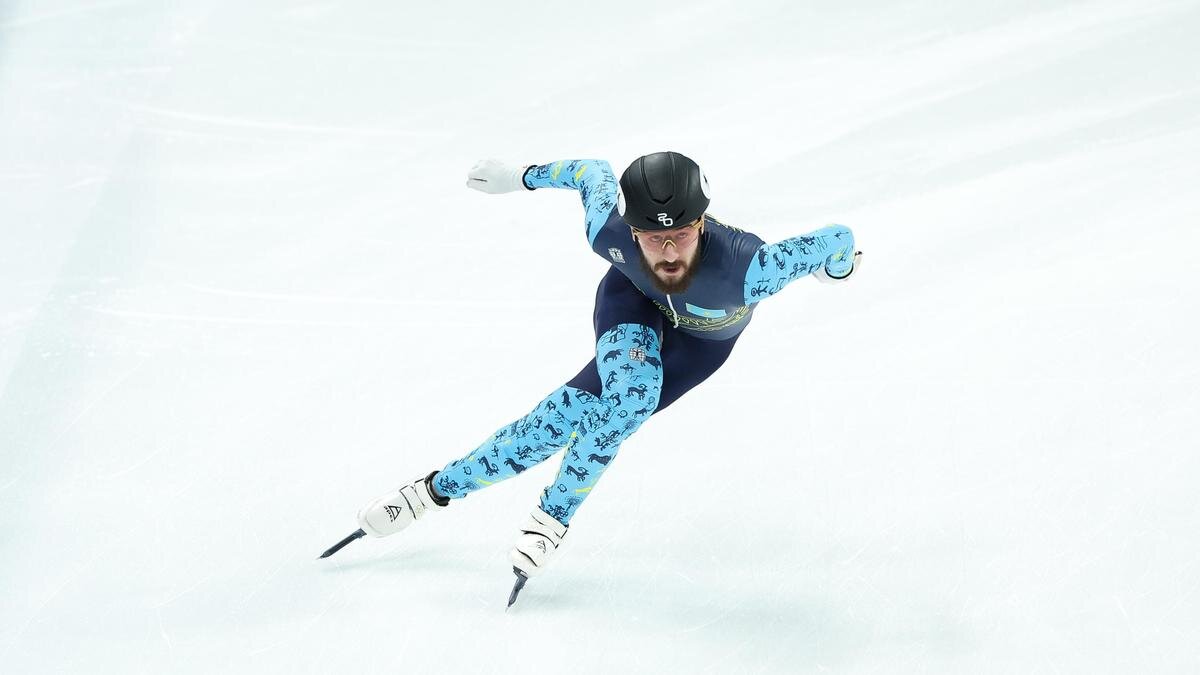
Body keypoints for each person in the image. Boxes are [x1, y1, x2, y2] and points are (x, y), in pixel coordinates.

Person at [345, 151, 860, 592]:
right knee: (604, 408)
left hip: (698, 346)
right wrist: (521, 175)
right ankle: (490, 506)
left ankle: (469, 499)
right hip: (631, 305)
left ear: (702, 223)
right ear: (630, 230)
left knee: (584, 414)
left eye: (681, 234)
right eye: (650, 237)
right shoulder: (607, 234)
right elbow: (592, 173)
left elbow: (837, 236)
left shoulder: (753, 268)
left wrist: (838, 268)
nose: (667, 252)